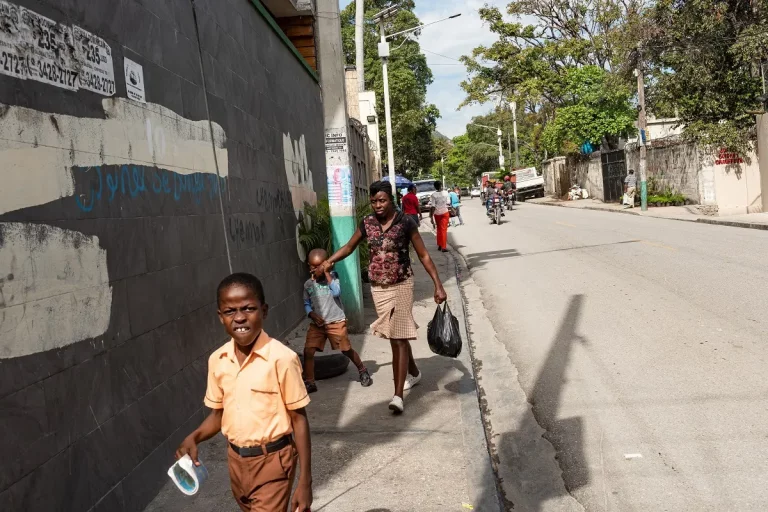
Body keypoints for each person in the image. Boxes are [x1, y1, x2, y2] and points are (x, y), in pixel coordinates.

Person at [175, 273, 312, 512]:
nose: (239, 318)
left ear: (264, 311)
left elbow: (299, 420)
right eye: (230, 311)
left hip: (273, 462)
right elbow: (218, 414)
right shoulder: (218, 360)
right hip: (236, 463)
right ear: (220, 316)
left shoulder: (281, 358)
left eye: (249, 308)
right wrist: (194, 437)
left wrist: (305, 482)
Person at [314, 181, 447, 413]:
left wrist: (438, 285)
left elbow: (424, 255)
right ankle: (414, 372)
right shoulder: (367, 223)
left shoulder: (406, 222)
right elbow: (348, 247)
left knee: (397, 336)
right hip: (379, 287)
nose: (377, 205)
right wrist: (327, 262)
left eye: (382, 200)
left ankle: (397, 396)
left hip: (403, 283)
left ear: (391, 200)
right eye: (374, 201)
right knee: (398, 335)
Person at [303, 248, 372, 393]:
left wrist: (326, 272)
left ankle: (362, 369)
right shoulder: (308, 284)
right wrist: (311, 314)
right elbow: (307, 303)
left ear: (326, 265)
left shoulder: (333, 278)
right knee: (308, 351)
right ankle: (310, 381)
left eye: (319, 266)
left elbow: (336, 292)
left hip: (336, 322)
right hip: (318, 324)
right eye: (312, 266)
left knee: (346, 349)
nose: (314, 270)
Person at [429, 181, 451, 252]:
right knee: (443, 230)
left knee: (439, 229)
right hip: (445, 212)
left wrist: (431, 217)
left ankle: (439, 244)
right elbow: (448, 203)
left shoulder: (433, 195)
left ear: (435, 186)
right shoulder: (445, 193)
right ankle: (443, 247)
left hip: (437, 213)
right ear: (441, 186)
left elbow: (432, 207)